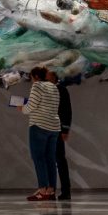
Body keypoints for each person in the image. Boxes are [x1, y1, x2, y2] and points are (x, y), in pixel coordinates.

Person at [20, 66, 61, 201]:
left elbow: (31, 106)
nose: (32, 80)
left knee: (38, 158)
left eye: (32, 77)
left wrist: (22, 108)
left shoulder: (37, 86)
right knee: (50, 159)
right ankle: (51, 191)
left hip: (39, 126)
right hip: (54, 127)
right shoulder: (54, 87)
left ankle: (43, 190)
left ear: (36, 76)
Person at [46, 70, 73, 200]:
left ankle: (65, 190)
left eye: (48, 76)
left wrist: (65, 130)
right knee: (49, 160)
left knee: (59, 160)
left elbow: (67, 111)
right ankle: (50, 190)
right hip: (45, 129)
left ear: (54, 77)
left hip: (57, 129)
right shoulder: (44, 90)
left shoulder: (61, 90)